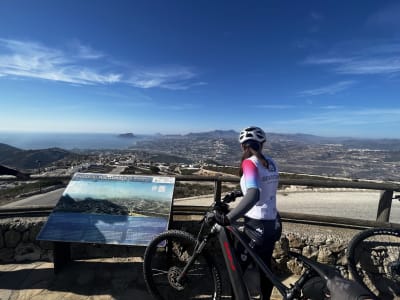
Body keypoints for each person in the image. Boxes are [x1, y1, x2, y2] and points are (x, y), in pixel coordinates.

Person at [209, 126, 281, 299]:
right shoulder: (271, 163)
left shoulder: (249, 163)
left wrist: (228, 218)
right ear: (262, 144)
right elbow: (262, 186)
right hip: (273, 223)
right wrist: (237, 192)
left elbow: (254, 194)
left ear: (243, 146)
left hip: (256, 227)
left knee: (237, 269)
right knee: (265, 269)